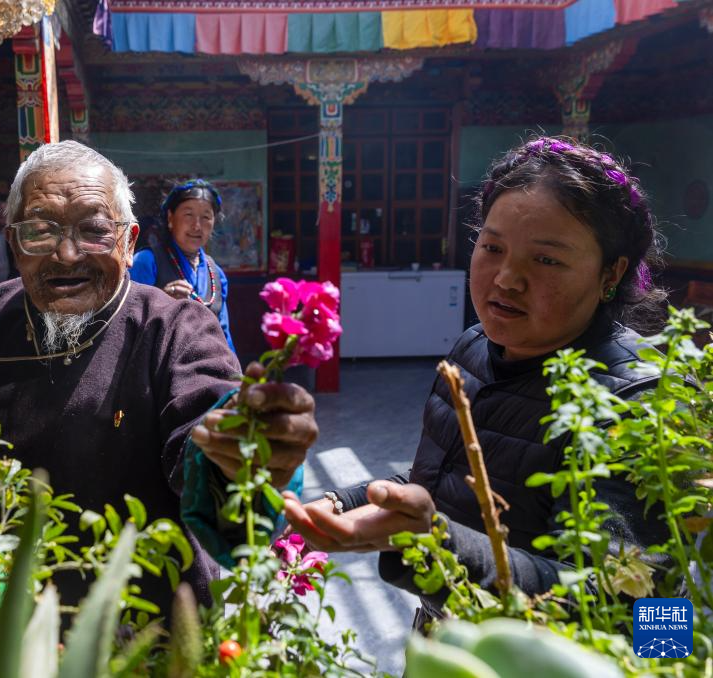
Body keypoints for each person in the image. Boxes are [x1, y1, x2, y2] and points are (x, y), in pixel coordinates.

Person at [0, 141, 315, 613]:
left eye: (95, 230)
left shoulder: (175, 328)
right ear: (14, 242)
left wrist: (242, 452)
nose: (66, 254)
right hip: (4, 622)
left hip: (145, 627)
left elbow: (202, 429)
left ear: (129, 241)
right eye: (40, 231)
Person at [277, 136, 669, 624]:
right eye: (492, 247)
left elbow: (637, 606)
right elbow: (438, 484)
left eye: (546, 259)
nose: (506, 278)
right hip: (444, 642)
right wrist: (344, 501)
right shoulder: (472, 349)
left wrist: (435, 545)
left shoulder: (641, 400)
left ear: (611, 273)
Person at [129, 180, 235, 352]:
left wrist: (235, 369)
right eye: (188, 215)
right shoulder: (146, 261)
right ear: (170, 218)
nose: (197, 226)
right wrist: (161, 302)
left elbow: (224, 336)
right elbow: (127, 321)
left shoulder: (216, 273)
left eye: (206, 217)